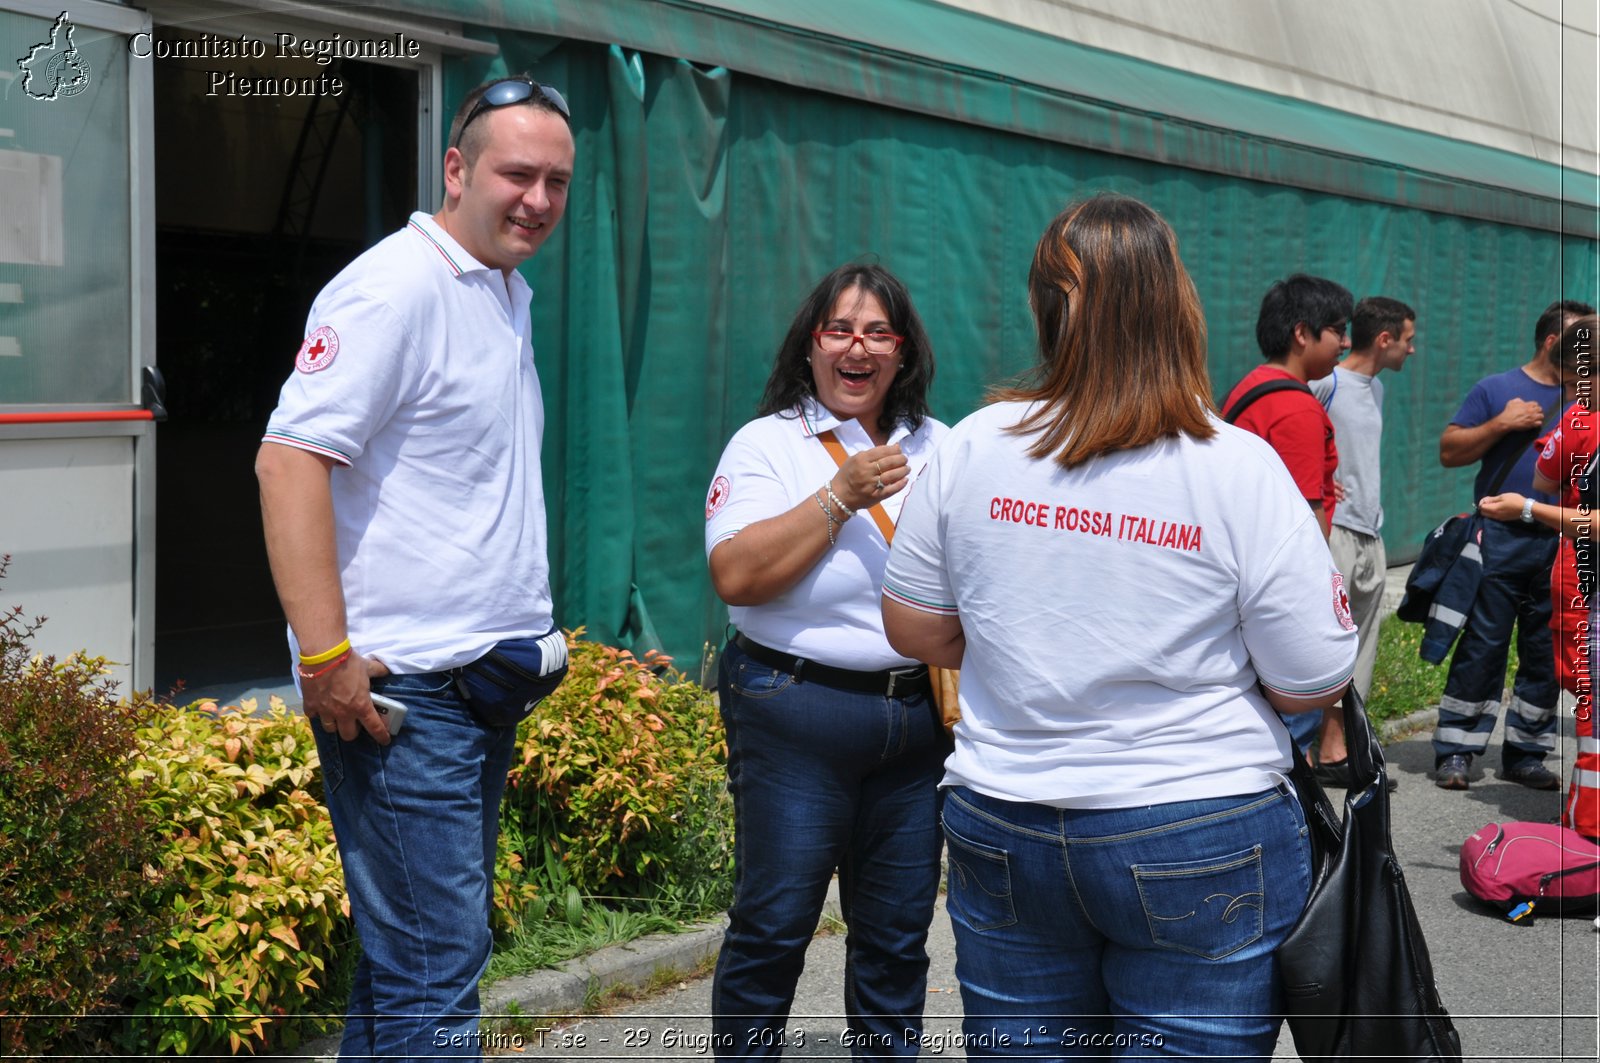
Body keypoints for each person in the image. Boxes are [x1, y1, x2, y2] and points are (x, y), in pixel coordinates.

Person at [881, 193, 1356, 1059]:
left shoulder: (973, 444)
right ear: (1179, 308)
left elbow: (915, 626)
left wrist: (1015, 637)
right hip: (1200, 818)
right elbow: (1310, 677)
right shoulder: (1235, 465)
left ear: (1043, 309)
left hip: (1008, 814)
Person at [255, 76, 575, 1059]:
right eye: (517, 174)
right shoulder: (395, 287)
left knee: (408, 969)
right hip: (404, 703)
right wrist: (328, 655)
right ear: (456, 168)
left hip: (474, 694)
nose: (538, 199)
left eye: (557, 182)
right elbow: (290, 459)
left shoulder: (500, 292)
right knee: (436, 971)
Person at [704, 263, 949, 1060]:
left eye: (878, 332)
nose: (858, 347)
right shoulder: (769, 443)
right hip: (793, 710)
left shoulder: (939, 445)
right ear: (811, 345)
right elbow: (736, 573)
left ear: (903, 351)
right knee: (773, 929)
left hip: (915, 722)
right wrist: (838, 495)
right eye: (840, 329)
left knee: (895, 938)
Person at [1431, 299, 1594, 791]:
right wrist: (1502, 423)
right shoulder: (1497, 389)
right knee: (1482, 645)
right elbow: (1448, 450)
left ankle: (1526, 753)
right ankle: (1456, 750)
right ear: (1552, 342)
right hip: (1500, 538)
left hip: (1560, 541)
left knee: (1545, 652)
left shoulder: (1587, 398)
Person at [1220, 273, 1353, 758]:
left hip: (1238, 568)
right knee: (1286, 730)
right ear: (1303, 333)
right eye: (1338, 330)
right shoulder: (1296, 408)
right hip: (1275, 583)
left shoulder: (1250, 388)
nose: (1345, 342)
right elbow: (1303, 516)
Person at [1479, 313, 1600, 839]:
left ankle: (1589, 828)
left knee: (1589, 710)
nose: (1575, 396)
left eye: (1578, 384)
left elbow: (1547, 480)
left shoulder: (1577, 425)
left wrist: (1528, 509)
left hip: (1579, 577)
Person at [1305, 296, 1417, 785]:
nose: (1412, 351)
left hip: (1371, 533)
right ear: (1386, 338)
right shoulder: (1324, 383)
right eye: (1408, 340)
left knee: (1360, 647)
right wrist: (1324, 482)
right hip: (1336, 533)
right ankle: (1312, 753)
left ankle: (1338, 751)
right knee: (1323, 639)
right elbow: (1296, 441)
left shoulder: (1378, 392)